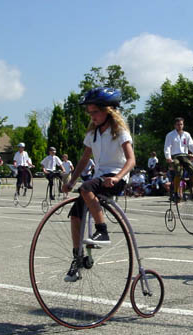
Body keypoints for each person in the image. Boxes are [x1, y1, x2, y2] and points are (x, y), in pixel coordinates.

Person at [61, 87, 135, 282]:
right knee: (76, 214)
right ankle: (77, 259)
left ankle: (102, 231)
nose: (91, 116)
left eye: (95, 112)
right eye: (89, 112)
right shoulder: (93, 133)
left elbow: (131, 160)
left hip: (114, 178)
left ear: (108, 111)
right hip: (99, 178)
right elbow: (84, 160)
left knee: (86, 189)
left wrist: (118, 177)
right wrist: (71, 181)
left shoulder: (119, 132)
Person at [164, 117, 193, 201]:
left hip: (184, 155)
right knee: (178, 170)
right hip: (175, 156)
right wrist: (168, 157)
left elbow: (192, 145)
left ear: (183, 125)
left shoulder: (187, 134)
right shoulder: (170, 135)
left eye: (181, 124)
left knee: (192, 169)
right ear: (175, 125)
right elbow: (167, 147)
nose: (180, 126)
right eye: (178, 124)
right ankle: (176, 192)